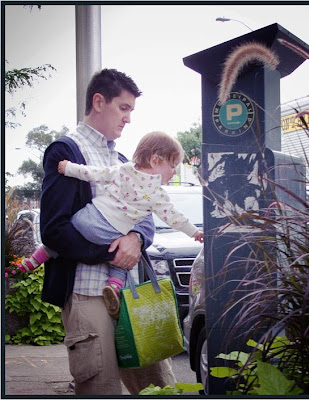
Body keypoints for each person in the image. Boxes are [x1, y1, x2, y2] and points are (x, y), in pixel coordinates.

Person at [38, 68, 176, 395]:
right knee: (100, 388)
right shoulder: (65, 152)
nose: (128, 118)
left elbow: (144, 215)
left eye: (131, 111)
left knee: (161, 387)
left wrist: (137, 239)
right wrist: (113, 253)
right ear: (99, 102)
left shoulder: (125, 159)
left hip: (130, 293)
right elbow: (54, 229)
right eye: (123, 108)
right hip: (87, 295)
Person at [21, 131, 203, 319]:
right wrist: (194, 232)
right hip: (110, 231)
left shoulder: (123, 169)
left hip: (88, 217)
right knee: (123, 256)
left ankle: (36, 259)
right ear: (155, 160)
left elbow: (94, 173)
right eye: (172, 166)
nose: (174, 172)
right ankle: (113, 286)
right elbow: (175, 217)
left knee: (67, 235)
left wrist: (68, 168)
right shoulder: (157, 194)